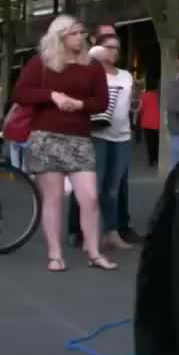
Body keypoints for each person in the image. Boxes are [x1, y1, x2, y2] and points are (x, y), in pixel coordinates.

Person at [13, 16, 115, 272]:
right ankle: (55, 254)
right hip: (46, 137)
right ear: (59, 36)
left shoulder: (92, 66)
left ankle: (93, 252)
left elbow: (101, 102)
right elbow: (21, 93)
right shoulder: (42, 63)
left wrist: (81, 104)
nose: (80, 38)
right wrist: (52, 96)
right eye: (74, 33)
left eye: (82, 33)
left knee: (90, 198)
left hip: (80, 138)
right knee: (54, 198)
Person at [89, 36, 135, 252]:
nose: (114, 52)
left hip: (122, 136)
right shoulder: (91, 72)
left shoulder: (126, 76)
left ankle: (112, 233)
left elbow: (132, 103)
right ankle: (92, 234)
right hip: (98, 135)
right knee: (95, 187)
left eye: (117, 48)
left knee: (113, 189)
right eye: (109, 47)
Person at [139, 84, 160, 168]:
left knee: (149, 142)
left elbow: (140, 108)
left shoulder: (144, 96)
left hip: (147, 122)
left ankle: (151, 159)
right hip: (158, 122)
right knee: (157, 141)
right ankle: (157, 158)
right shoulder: (160, 96)